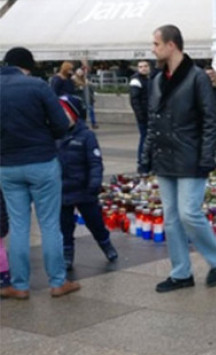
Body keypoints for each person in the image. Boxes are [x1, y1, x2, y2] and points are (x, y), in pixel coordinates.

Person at [139, 25, 216, 293]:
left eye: (156, 44)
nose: (153, 49)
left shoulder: (196, 77)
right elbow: (152, 122)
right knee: (171, 218)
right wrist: (146, 156)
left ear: (171, 45)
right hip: (165, 157)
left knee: (188, 213)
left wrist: (206, 157)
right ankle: (181, 273)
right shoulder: (156, 81)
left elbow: (211, 121)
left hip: (190, 156)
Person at [0, 47, 80, 299]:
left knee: (19, 225)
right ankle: (58, 282)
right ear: (27, 66)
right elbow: (60, 124)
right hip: (42, 162)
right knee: (49, 224)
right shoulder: (37, 86)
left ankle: (20, 285)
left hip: (8, 166)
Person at [56, 95, 117, 270]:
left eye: (64, 112)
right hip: (62, 191)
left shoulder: (86, 136)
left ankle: (106, 244)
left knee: (95, 221)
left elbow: (95, 162)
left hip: (84, 189)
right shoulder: (53, 135)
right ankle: (67, 253)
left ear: (73, 114)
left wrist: (94, 184)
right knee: (64, 227)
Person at [129, 60, 152, 163]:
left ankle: (147, 160)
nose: (143, 68)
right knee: (144, 138)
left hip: (150, 114)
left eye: (145, 66)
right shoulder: (136, 81)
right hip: (144, 115)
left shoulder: (149, 79)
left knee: (148, 139)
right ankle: (142, 160)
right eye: (141, 66)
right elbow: (134, 100)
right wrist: (140, 116)